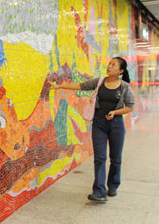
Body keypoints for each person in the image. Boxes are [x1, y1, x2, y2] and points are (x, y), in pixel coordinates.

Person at [50, 57, 135, 202]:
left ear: (120, 71)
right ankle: (99, 191)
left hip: (116, 125)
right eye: (109, 63)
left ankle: (113, 185)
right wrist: (60, 86)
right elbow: (81, 86)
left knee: (115, 159)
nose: (109, 66)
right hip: (99, 124)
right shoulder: (100, 81)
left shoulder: (125, 86)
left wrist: (115, 112)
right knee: (99, 158)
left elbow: (130, 106)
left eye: (113, 65)